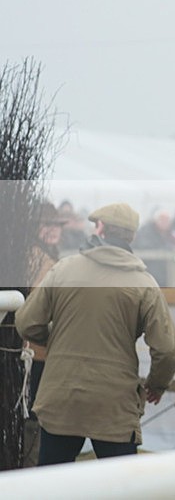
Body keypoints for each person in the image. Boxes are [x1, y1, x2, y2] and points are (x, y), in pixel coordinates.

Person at [15, 202, 175, 465]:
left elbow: (26, 323)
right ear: (132, 236)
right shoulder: (144, 283)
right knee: (121, 487)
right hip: (114, 406)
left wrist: (58, 340)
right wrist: (156, 385)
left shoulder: (64, 269)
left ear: (100, 228)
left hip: (62, 400)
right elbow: (167, 350)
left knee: (51, 486)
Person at [22, 200, 69, 467]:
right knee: (33, 415)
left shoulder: (47, 256)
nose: (53, 230)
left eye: (56, 225)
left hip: (38, 352)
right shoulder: (37, 259)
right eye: (46, 225)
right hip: (33, 353)